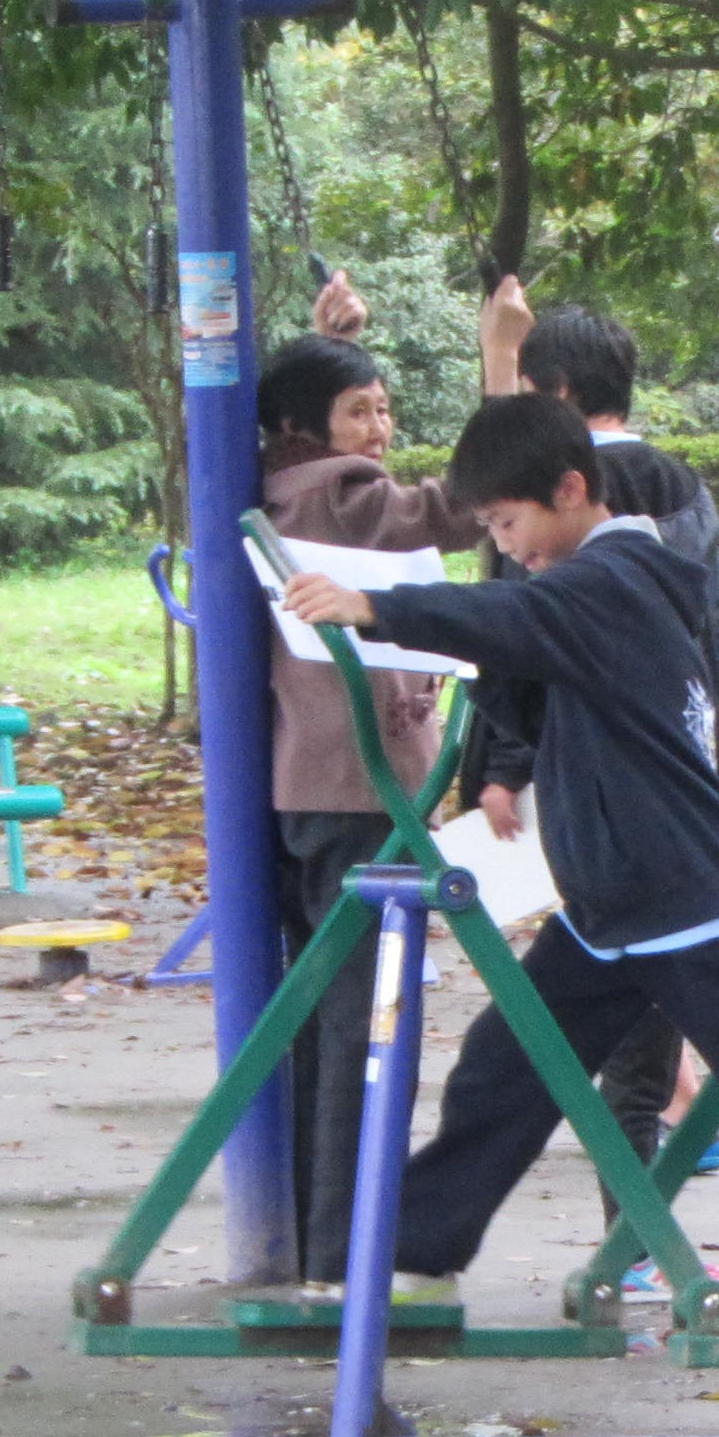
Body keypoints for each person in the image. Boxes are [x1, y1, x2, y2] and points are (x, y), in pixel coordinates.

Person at [274, 395, 719, 1316]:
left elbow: (506, 615)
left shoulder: (615, 578)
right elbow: (525, 674)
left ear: (572, 490)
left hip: (680, 899)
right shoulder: (599, 591)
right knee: (504, 1064)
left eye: (510, 523)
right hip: (612, 906)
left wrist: (377, 606)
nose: (510, 547)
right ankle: (418, 1257)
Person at [253, 295, 514, 1289]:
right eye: (361, 408)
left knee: (320, 1017)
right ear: (304, 425)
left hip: (297, 784)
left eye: (383, 409)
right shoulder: (342, 492)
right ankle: (343, 1249)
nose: (381, 430)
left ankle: (320, 1238)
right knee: (364, 1024)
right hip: (364, 791)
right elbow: (450, 506)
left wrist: (334, 342)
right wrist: (500, 366)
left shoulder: (271, 486)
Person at [490, 303, 719, 1227]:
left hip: (586, 791)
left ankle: (633, 1241)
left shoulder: (549, 497)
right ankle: (639, 1237)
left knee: (576, 1026)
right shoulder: (682, 484)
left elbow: (510, 642)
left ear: (560, 396)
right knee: (650, 1034)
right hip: (683, 770)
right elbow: (716, 630)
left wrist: (499, 764)